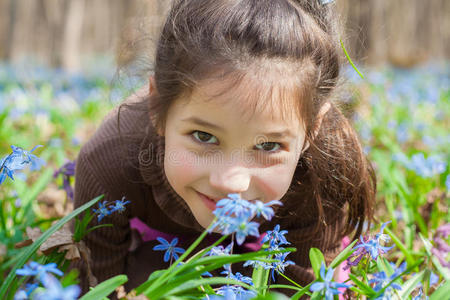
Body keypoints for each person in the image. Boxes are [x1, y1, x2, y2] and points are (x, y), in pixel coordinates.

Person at [71, 0, 376, 297]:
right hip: (165, 248)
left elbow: (297, 287)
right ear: (156, 106)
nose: (231, 182)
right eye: (204, 136)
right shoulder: (110, 161)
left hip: (264, 243)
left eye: (268, 145)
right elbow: (99, 287)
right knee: (146, 281)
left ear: (313, 130)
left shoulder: (326, 167)